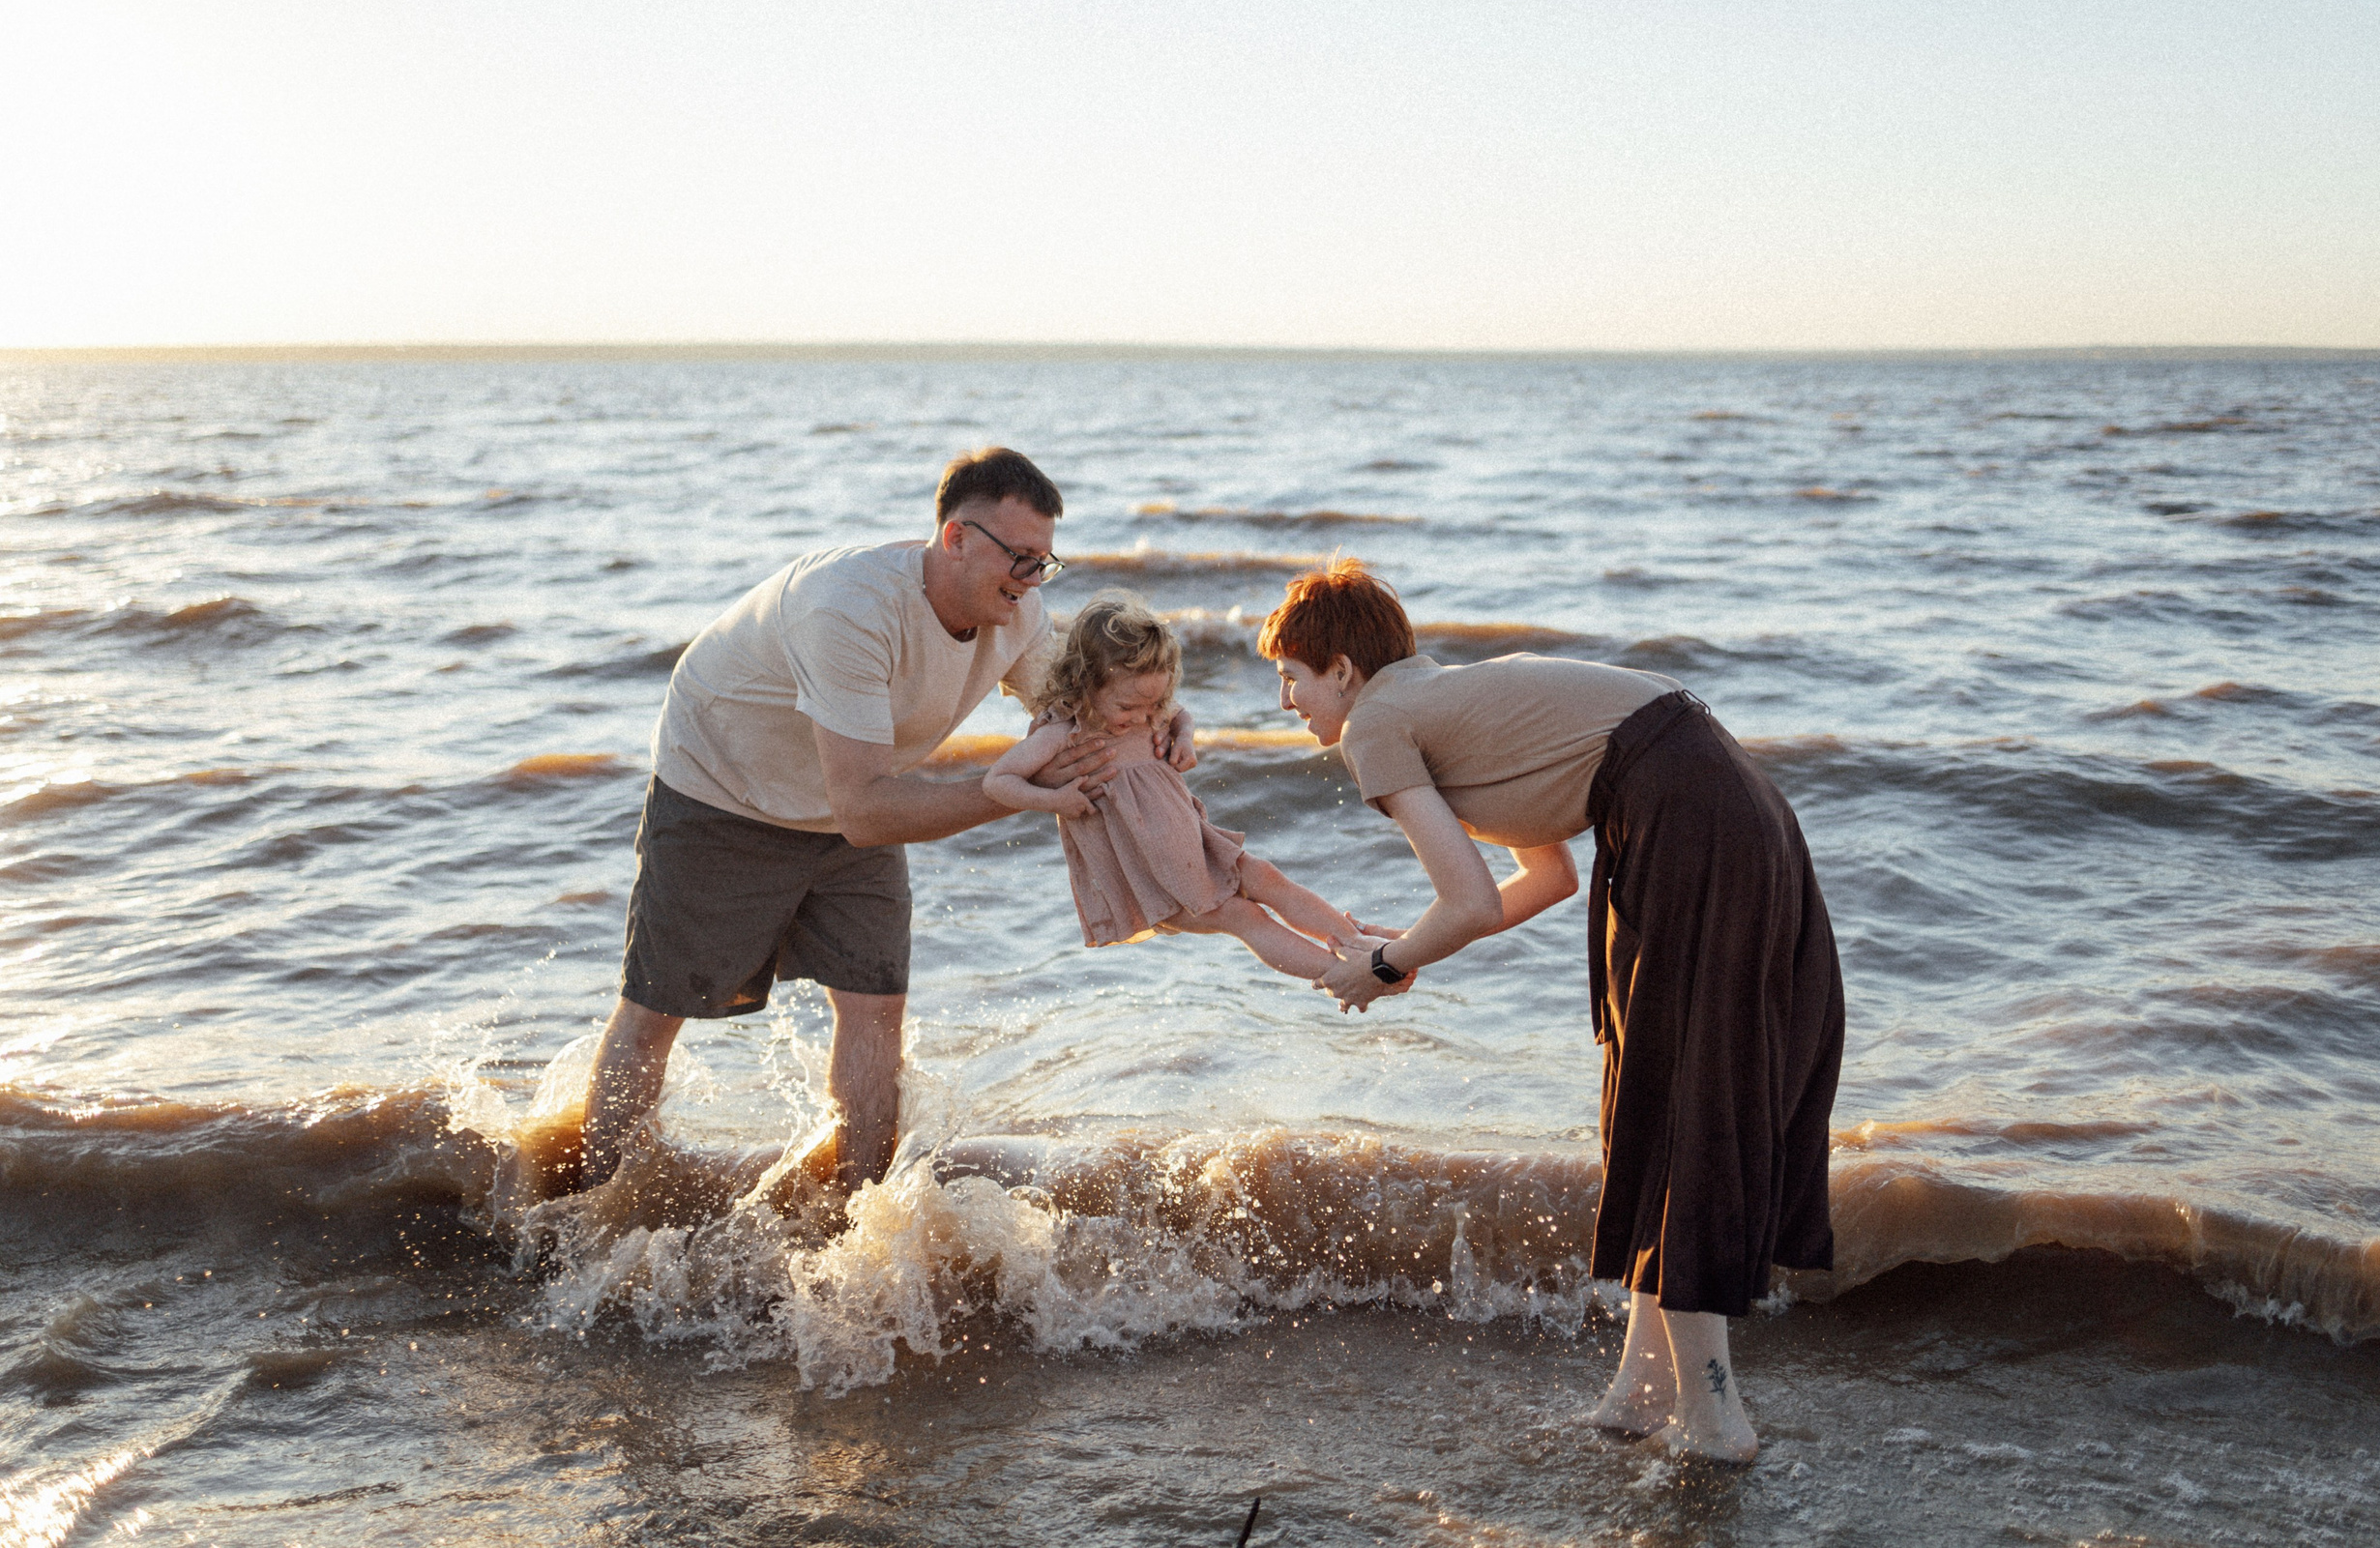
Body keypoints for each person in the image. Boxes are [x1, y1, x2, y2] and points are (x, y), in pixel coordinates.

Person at [1258, 560, 1841, 1464]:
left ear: (1341, 668)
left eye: (1291, 677)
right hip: (1722, 794)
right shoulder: (1448, 702)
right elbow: (1543, 879)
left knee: (1682, 1104)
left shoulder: (1375, 720)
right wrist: (1408, 951)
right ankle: (1643, 1388)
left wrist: (1383, 963)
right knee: (1655, 1089)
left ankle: (1716, 1416)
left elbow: (1470, 907)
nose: (1286, 699)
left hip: (1680, 808)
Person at [573, 448, 1193, 1197]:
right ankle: (588, 1211)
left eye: (1043, 562)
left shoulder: (1018, 610)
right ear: (956, 538)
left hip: (853, 803)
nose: (1033, 579)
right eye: (1020, 558)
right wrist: (1016, 791)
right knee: (656, 1011)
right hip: (725, 791)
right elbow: (867, 811)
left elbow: (1075, 707)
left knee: (877, 1006)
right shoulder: (850, 607)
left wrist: (1157, 718)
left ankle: (856, 1216)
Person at [983, 591, 1370, 977]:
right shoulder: (1067, 732)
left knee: (1269, 878)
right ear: (1085, 683)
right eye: (1127, 708)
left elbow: (1180, 713)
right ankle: (1342, 975)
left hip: (1194, 841)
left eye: (1153, 704)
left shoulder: (1146, 707)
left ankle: (1360, 947)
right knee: (1245, 916)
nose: (1143, 717)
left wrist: (1184, 738)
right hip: (1151, 871)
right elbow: (998, 781)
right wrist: (1055, 800)